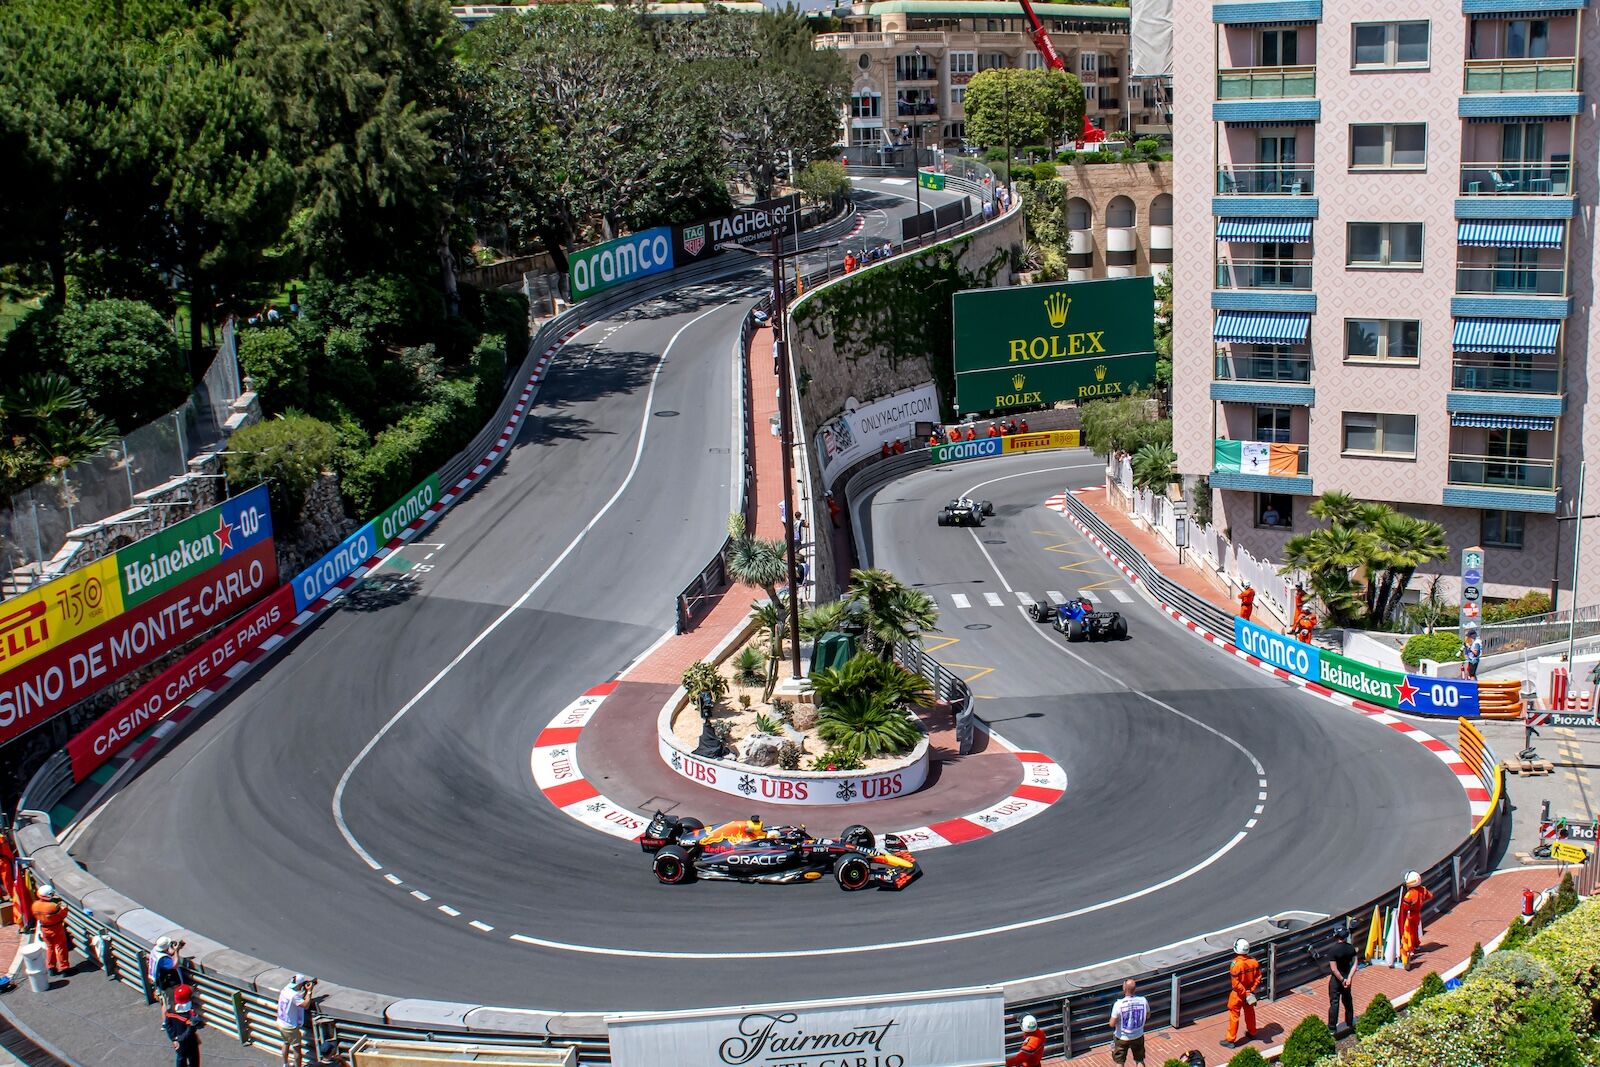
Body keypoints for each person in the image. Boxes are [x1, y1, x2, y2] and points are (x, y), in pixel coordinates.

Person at [1223, 938, 1260, 1049]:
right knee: (1250, 1013)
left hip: (1238, 995)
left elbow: (1235, 984)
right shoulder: (1254, 962)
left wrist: (1244, 993)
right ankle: (1252, 1032)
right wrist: (1250, 991)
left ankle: (1230, 1040)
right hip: (1249, 993)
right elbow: (1258, 978)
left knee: (1234, 1016)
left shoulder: (1236, 964)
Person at [1325, 924, 1359, 1035]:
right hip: (1347, 977)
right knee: (1348, 1000)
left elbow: (1334, 969)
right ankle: (1349, 1022)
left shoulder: (1333, 951)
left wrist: (1341, 979)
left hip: (1336, 981)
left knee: (1334, 1003)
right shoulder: (1351, 948)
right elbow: (1355, 964)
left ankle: (1332, 1028)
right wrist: (1348, 978)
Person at [1108, 978, 1149, 1066]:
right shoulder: (1143, 1000)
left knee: (1120, 1062)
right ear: (1135, 988)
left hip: (1122, 1038)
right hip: (1138, 1035)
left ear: (1124, 988)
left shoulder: (1118, 1004)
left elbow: (1112, 1024)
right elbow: (1148, 1015)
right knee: (1139, 1060)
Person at [277, 974, 316, 1067]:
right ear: (300, 984)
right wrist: (309, 991)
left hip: (281, 1022)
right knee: (297, 1048)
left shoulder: (286, 989)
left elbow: (297, 996)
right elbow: (306, 1005)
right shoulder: (294, 996)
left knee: (286, 1043)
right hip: (290, 1027)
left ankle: (285, 1064)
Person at [32, 884, 70, 975]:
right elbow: (63, 914)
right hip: (56, 928)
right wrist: (64, 908)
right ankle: (64, 968)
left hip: (44, 929)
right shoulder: (53, 906)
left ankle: (51, 968)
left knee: (50, 948)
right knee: (61, 947)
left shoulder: (35, 905)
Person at [1398, 870, 1433, 969]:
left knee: (1410, 932)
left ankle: (1411, 949)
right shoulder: (1423, 889)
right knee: (1415, 931)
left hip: (1410, 915)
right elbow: (1430, 896)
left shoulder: (1409, 894)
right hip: (1418, 914)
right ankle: (1416, 945)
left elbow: (1404, 907)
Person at [164, 984, 202, 1067]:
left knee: (180, 1058)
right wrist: (181, 1038)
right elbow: (191, 1030)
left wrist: (174, 1038)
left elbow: (167, 1025)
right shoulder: (190, 1015)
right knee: (194, 1061)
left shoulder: (170, 1012)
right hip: (190, 1042)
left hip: (178, 1042)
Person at [152, 936, 187, 1010]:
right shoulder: (163, 959)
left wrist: (177, 949)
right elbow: (174, 965)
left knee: (165, 1003)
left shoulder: (155, 951)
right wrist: (176, 951)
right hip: (167, 984)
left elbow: (168, 953)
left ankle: (167, 1020)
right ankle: (168, 1020)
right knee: (169, 1004)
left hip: (159, 981)